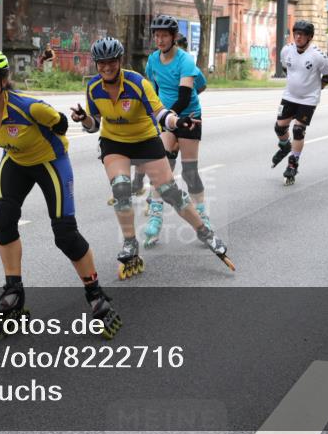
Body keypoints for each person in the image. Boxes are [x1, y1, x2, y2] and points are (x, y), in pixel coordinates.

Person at [0, 49, 121, 339]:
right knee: (3, 220)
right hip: (16, 162)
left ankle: (96, 295)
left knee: (65, 234)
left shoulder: (29, 107)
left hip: (50, 162)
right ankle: (13, 291)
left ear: (3, 81)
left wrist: (67, 129)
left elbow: (59, 123)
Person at [70, 36, 235, 275]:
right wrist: (83, 118)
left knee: (170, 193)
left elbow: (159, 113)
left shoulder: (138, 83)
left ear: (119, 60)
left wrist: (177, 121)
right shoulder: (94, 87)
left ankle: (206, 233)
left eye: (112, 62)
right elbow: (94, 123)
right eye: (101, 63)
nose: (107, 67)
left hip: (145, 140)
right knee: (121, 188)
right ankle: (130, 243)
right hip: (114, 142)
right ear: (96, 64)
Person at [140, 15, 210, 247]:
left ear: (174, 37)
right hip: (167, 119)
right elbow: (154, 88)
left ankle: (203, 216)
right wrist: (162, 116)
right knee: (161, 168)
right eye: (156, 35)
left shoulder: (185, 60)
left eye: (164, 35)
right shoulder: (152, 60)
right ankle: (155, 217)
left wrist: (170, 116)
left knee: (189, 172)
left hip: (188, 117)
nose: (159, 40)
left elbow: (186, 95)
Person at [272, 20, 328, 185]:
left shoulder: (318, 56)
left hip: (308, 99)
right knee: (279, 127)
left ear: (310, 37)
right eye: (296, 34)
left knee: (298, 130)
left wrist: (317, 88)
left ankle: (293, 164)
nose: (298, 37)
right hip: (289, 96)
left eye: (302, 35)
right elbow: (287, 68)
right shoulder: (286, 50)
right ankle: (285, 146)